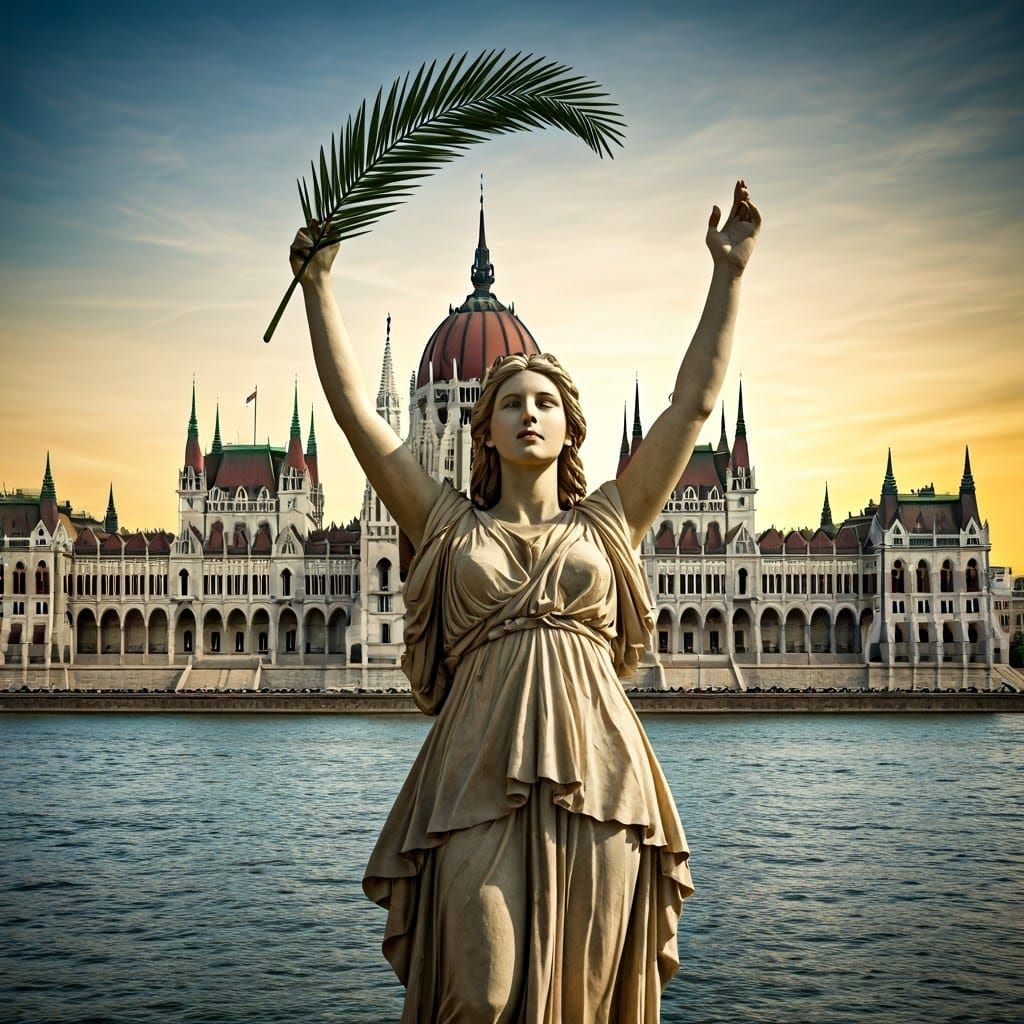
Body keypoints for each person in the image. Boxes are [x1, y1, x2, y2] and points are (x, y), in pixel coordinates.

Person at [293, 181, 761, 1022]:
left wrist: (728, 276)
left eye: (545, 400)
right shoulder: (443, 524)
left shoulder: (611, 520)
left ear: (570, 425)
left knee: (585, 996)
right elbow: (357, 415)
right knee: (482, 993)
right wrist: (321, 287)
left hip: (602, 774)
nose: (529, 413)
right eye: (510, 401)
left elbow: (692, 405)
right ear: (482, 428)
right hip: (476, 772)